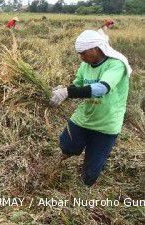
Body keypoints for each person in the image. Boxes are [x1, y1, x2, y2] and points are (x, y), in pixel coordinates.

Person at [50, 30, 132, 187]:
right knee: (67, 145)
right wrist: (64, 90)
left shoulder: (116, 64)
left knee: (90, 174)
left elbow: (102, 88)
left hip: (106, 124)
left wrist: (68, 92)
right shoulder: (84, 65)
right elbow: (79, 84)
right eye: (79, 54)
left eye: (83, 53)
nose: (81, 57)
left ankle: (84, 189)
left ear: (96, 48)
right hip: (84, 117)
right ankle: (68, 156)